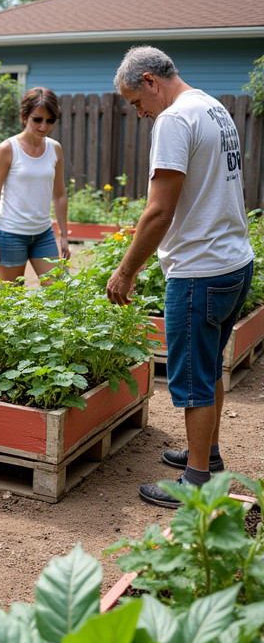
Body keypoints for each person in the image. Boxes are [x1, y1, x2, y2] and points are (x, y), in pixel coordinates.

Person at [106, 46, 254, 508]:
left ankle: (195, 483)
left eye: (136, 102)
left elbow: (158, 211)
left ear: (150, 81)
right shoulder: (212, 106)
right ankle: (206, 457)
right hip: (235, 262)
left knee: (191, 381)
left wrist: (126, 271)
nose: (139, 113)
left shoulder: (173, 119)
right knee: (209, 369)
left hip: (199, 271)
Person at [0, 87, 70, 281]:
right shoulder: (8, 149)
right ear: (24, 117)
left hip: (43, 234)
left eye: (50, 121)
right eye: (37, 119)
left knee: (59, 291)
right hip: (11, 234)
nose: (43, 126)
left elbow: (60, 195)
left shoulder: (55, 149)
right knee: (10, 298)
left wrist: (64, 236)